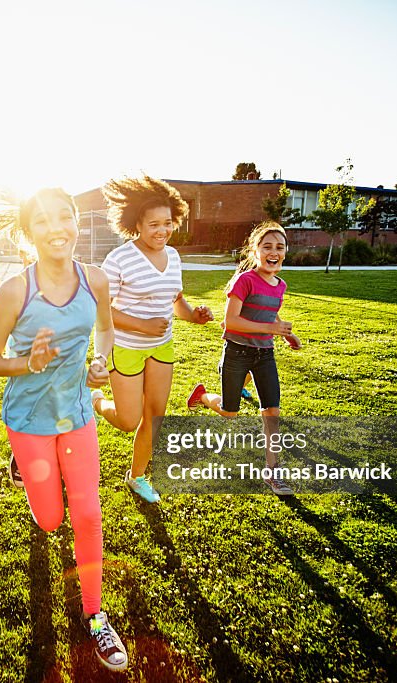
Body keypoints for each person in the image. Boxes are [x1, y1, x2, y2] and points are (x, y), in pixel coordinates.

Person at [0, 188, 128, 671]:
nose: (56, 228)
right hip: (29, 421)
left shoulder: (96, 280)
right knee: (49, 520)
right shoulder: (15, 290)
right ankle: (28, 474)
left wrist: (102, 359)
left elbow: (104, 328)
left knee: (86, 512)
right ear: (29, 233)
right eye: (42, 222)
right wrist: (29, 362)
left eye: (63, 217)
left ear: (76, 222)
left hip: (79, 414)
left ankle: (96, 616)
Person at [92, 175, 214, 503]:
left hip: (162, 347)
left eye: (168, 223)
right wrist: (142, 325)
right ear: (137, 225)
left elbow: (176, 301)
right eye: (153, 225)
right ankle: (97, 403)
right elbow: (101, 310)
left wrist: (194, 315)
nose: (161, 231)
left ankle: (137, 476)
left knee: (155, 417)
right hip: (127, 349)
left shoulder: (173, 257)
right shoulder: (120, 259)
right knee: (129, 420)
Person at [187, 221, 302, 496]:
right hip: (237, 351)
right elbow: (231, 322)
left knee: (271, 412)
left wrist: (284, 332)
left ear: (285, 251)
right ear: (255, 250)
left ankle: (272, 474)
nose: (273, 252)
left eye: (279, 247)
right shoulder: (245, 280)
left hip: (265, 354)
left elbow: (269, 312)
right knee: (229, 412)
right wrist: (272, 329)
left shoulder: (280, 285)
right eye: (267, 246)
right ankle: (203, 395)